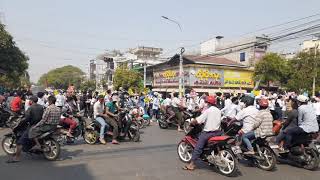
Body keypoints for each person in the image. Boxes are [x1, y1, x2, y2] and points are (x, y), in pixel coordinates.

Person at [183, 95, 222, 171]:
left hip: (208, 133)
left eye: (206, 102)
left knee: (198, 147)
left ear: (208, 103)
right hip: (218, 132)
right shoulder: (218, 110)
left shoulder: (208, 110)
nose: (206, 104)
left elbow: (198, 120)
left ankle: (191, 165)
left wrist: (192, 122)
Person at [7, 96, 44, 163]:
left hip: (32, 126)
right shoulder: (41, 107)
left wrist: (20, 122)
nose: (29, 101)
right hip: (40, 125)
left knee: (19, 142)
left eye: (30, 100)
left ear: (31, 101)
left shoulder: (30, 108)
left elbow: (26, 118)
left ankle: (17, 158)